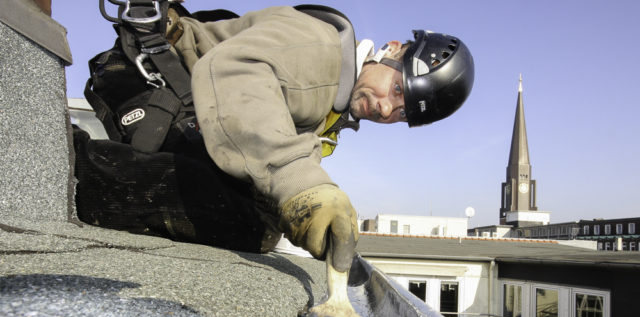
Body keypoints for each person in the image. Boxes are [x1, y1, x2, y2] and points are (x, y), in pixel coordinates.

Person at [74, 4, 474, 273]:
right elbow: (234, 71)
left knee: (258, 223)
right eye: (399, 90)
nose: (387, 110)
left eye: (402, 113)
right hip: (149, 78)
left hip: (195, 108)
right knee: (232, 216)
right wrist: (300, 184)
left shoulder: (332, 111)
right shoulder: (321, 52)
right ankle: (71, 168)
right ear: (390, 50)